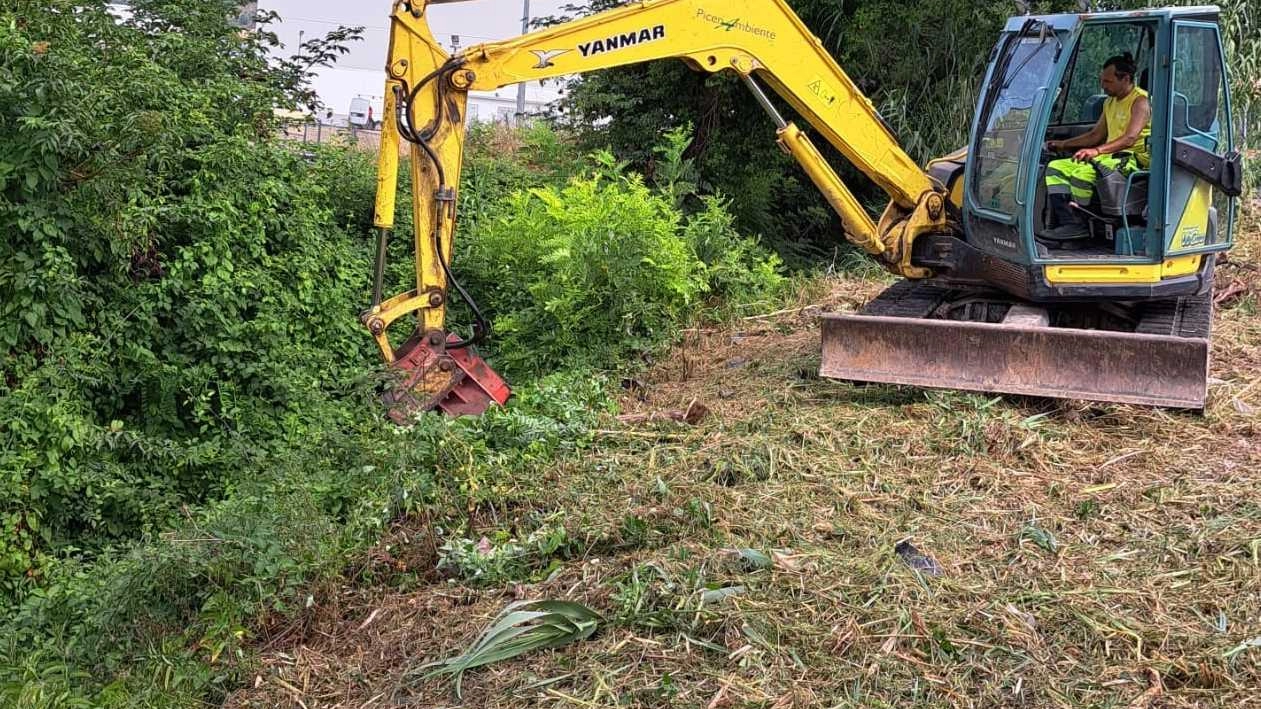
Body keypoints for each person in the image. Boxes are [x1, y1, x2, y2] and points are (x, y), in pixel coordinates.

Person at [1042, 52, 1151, 239]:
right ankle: (1071, 223)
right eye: (1102, 80)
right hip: (1109, 156)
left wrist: (1096, 150)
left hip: (1132, 159)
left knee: (1081, 175)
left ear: (1125, 79)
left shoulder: (1140, 101)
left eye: (1108, 82)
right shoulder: (1109, 102)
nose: (1103, 85)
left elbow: (1129, 139)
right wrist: (1063, 144)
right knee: (1055, 169)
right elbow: (1095, 135)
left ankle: (1085, 225)